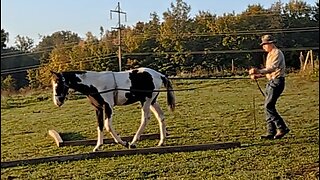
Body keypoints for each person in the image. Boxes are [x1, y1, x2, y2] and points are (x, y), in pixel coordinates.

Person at [249, 34, 290, 140]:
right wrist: (259, 75)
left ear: (271, 43)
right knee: (267, 107)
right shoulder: (270, 54)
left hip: (277, 82)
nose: (263, 47)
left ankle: (282, 128)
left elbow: (273, 68)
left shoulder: (277, 53)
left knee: (269, 106)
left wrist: (258, 71)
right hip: (271, 82)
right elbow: (269, 71)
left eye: (265, 44)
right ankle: (270, 132)